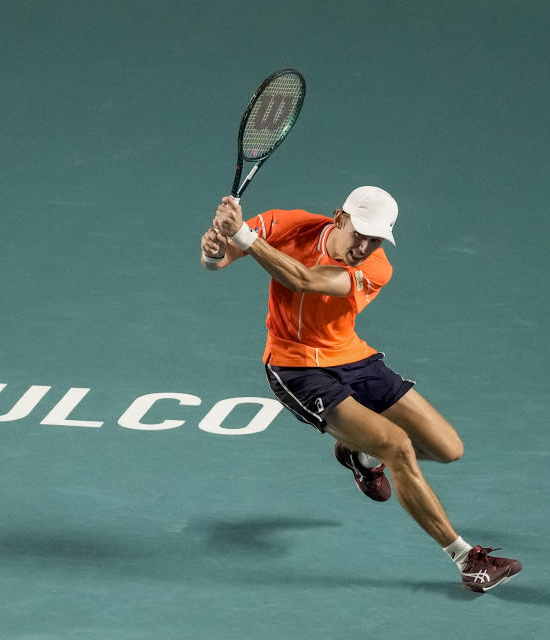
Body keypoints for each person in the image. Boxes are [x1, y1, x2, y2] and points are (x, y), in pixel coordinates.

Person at [201, 186, 521, 592]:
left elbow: (303, 279)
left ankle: (359, 453)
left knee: (448, 449)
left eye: (376, 239)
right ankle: (467, 560)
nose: (365, 246)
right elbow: (218, 260)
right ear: (339, 218)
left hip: (352, 358)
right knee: (399, 446)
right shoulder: (288, 224)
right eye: (360, 234)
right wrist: (215, 249)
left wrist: (243, 233)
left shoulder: (376, 269)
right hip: (296, 367)